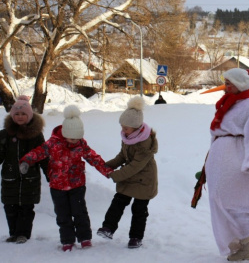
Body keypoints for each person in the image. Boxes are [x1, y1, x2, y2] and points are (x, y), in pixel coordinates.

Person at [19, 105, 113, 251]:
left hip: (77, 185)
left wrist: (108, 171)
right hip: (57, 186)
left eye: (77, 138)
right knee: (63, 215)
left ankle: (85, 238)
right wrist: (26, 161)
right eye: (72, 138)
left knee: (80, 213)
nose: (74, 141)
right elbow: (38, 152)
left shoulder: (81, 145)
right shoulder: (53, 143)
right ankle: (67, 240)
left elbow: (94, 158)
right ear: (64, 133)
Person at [204, 68, 249, 261]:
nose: (225, 87)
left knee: (242, 204)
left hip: (240, 162)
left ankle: (247, 244)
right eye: (225, 82)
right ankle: (239, 241)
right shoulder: (228, 104)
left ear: (241, 84)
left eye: (229, 83)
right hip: (221, 161)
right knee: (219, 200)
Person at [97, 96, 158, 249]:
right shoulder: (128, 137)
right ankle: (108, 228)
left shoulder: (145, 143)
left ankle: (136, 237)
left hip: (144, 180)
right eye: (122, 126)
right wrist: (107, 165)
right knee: (118, 201)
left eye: (126, 127)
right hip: (129, 176)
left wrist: (116, 175)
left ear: (136, 128)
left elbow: (136, 166)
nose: (123, 130)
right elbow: (122, 156)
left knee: (139, 209)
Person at [0, 95, 49, 244]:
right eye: (17, 114)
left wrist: (50, 174)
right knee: (10, 207)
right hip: (10, 178)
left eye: (23, 114)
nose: (20, 117)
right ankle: (13, 233)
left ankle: (23, 234)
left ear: (29, 115)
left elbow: (43, 156)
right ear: (12, 115)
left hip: (30, 179)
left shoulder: (36, 135)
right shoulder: (5, 135)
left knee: (26, 208)